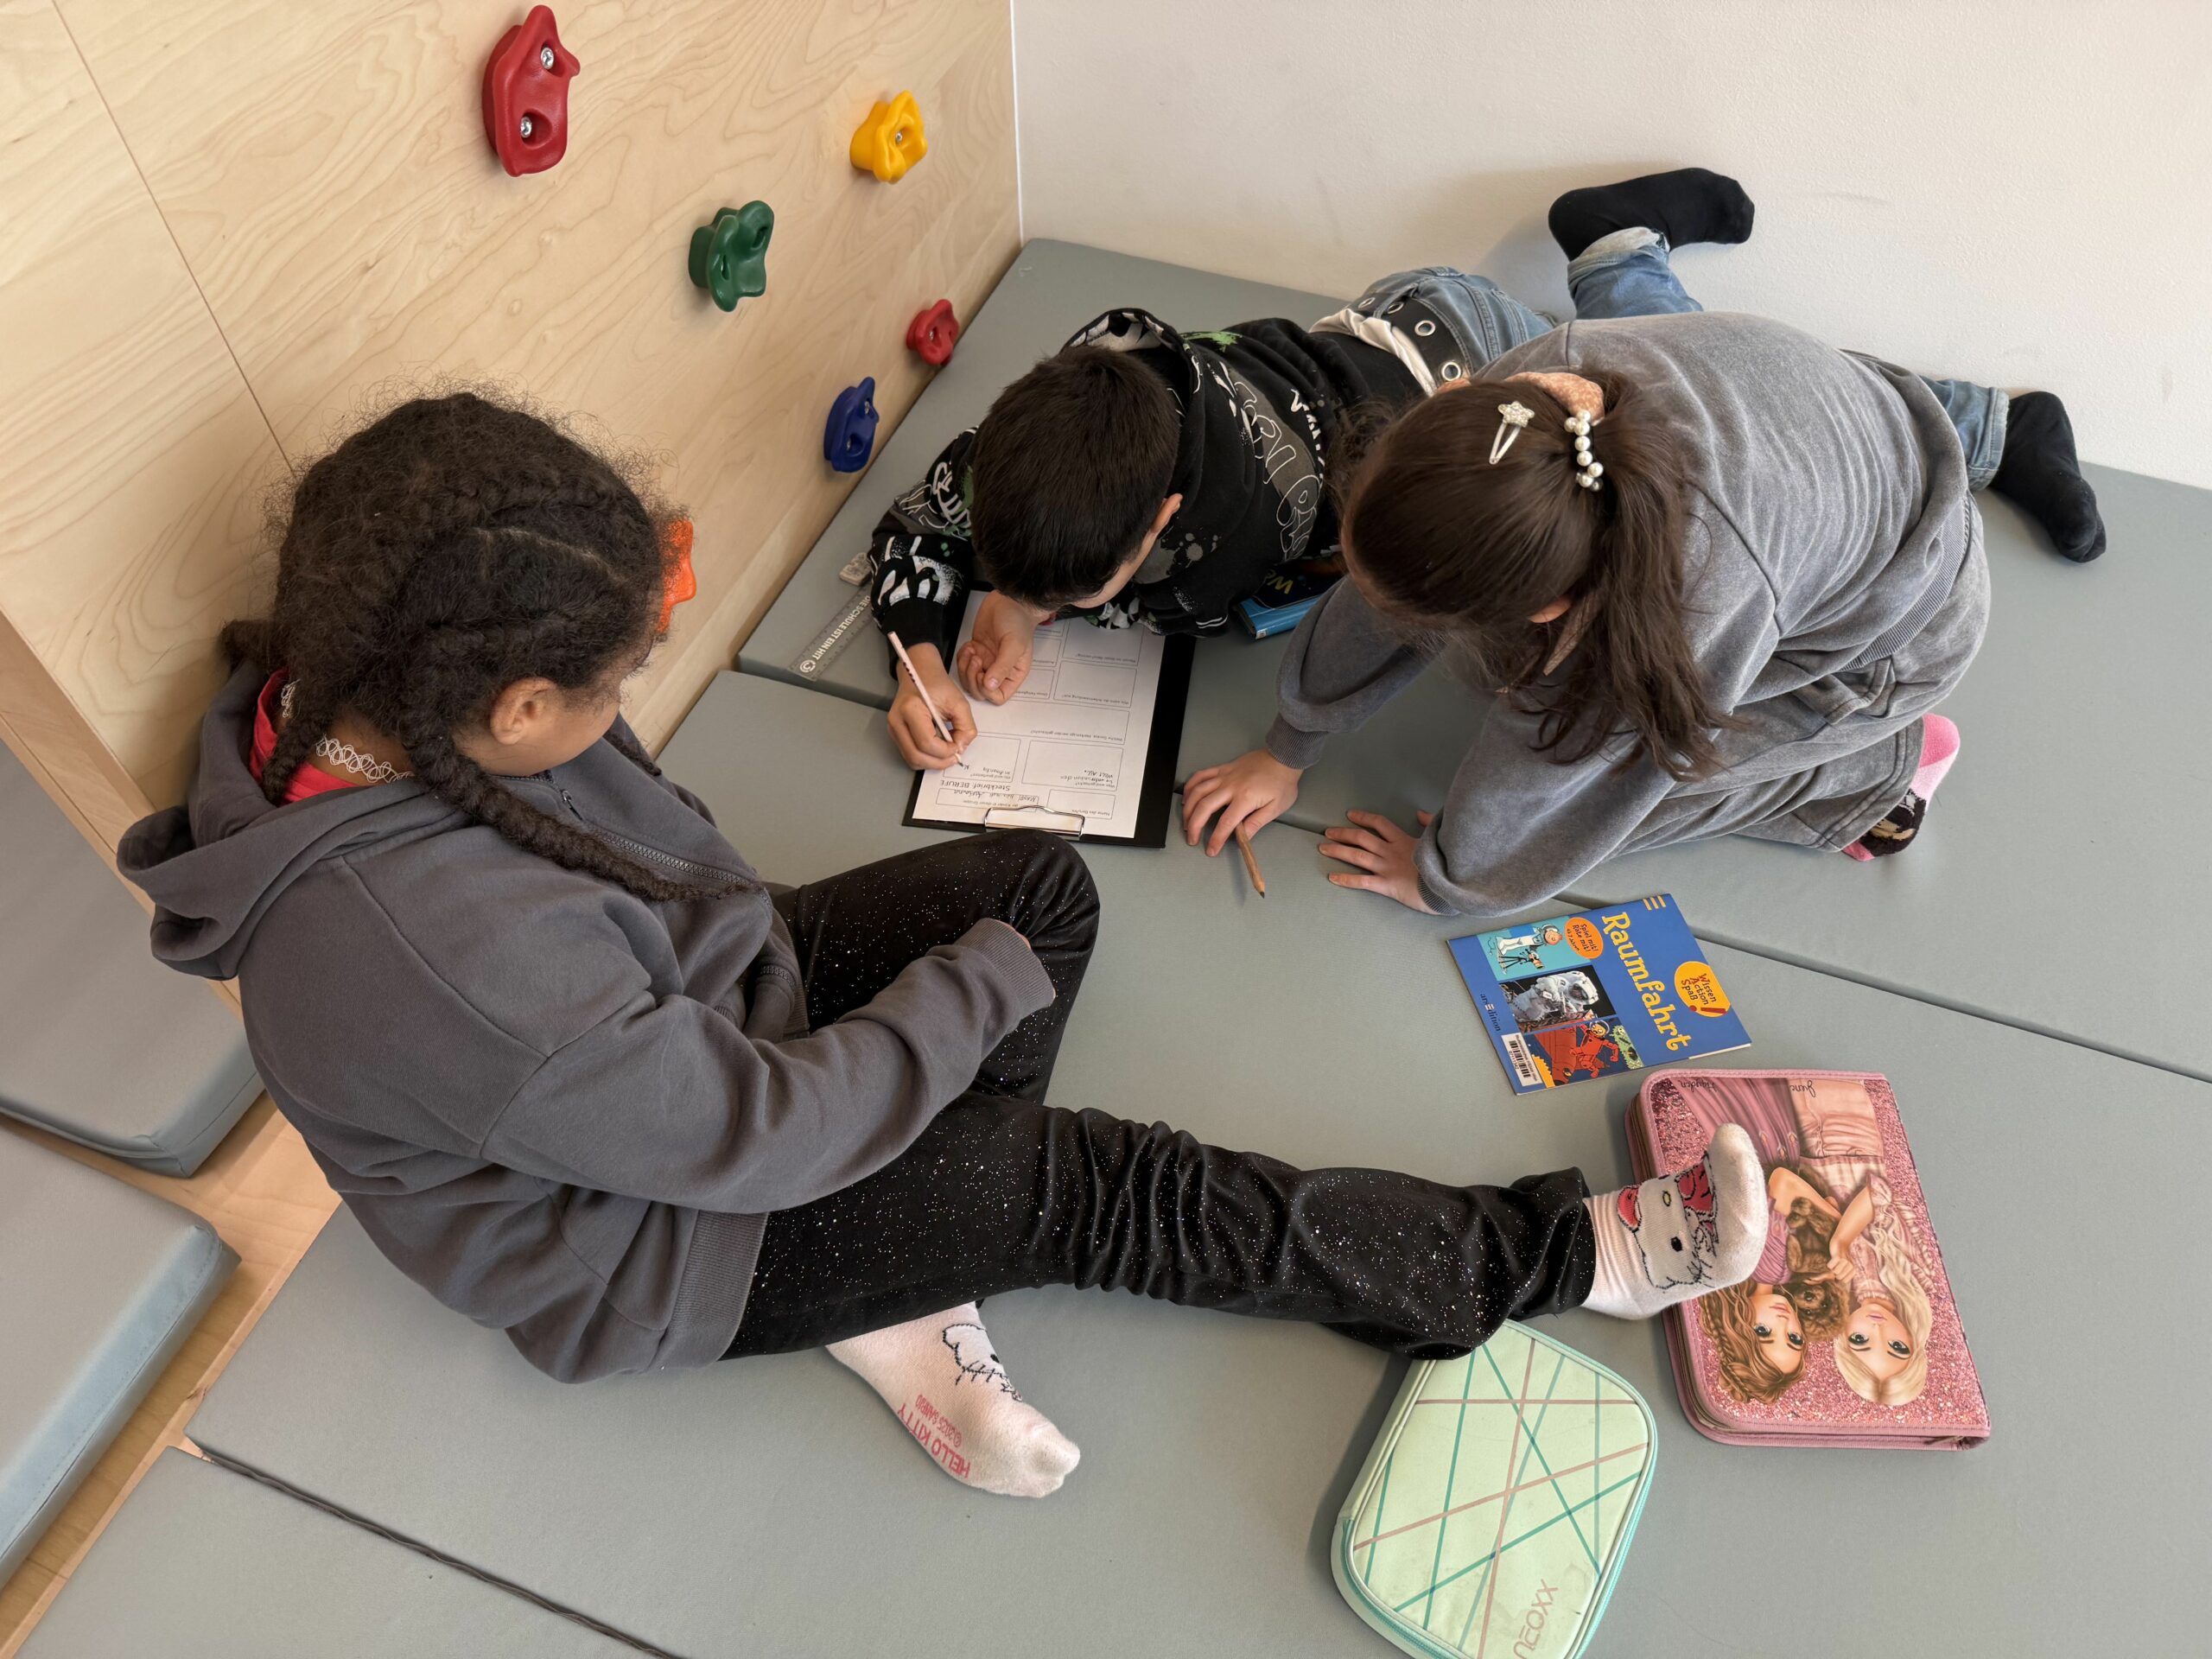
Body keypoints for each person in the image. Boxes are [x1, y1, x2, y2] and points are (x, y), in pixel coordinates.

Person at [120, 391, 1770, 1501]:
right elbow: (754, 1132)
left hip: (685, 1037)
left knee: (1041, 890)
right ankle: (1558, 1261)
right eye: (609, 687)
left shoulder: (369, 682)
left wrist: (927, 1029)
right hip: (664, 1239)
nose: (623, 707)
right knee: (1097, 1185)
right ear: (515, 704)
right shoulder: (441, 968)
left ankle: (907, 1273)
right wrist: (957, 1016)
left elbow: (663, 905)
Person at [882, 168, 2105, 772]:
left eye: (1087, 590)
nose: (1057, 603)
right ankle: (1614, 246)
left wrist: (1292, 747)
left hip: (1458, 360)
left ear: (1161, 525)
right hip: (1405, 321)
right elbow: (927, 519)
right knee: (1679, 373)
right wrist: (958, 634)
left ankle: (1999, 430)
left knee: (1702, 404)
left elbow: (1375, 594)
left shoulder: (1248, 542)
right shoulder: (1074, 399)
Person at [1182, 300, 1994, 912]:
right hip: (1849, 452)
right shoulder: (1522, 403)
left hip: (1897, 632)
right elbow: (1389, 586)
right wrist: (1289, 746)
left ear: (1552, 606)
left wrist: (1448, 880)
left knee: (1603, 812)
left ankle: (1882, 766)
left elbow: (1563, 759)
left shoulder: (1689, 597)